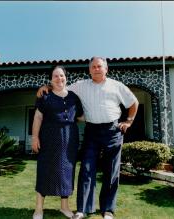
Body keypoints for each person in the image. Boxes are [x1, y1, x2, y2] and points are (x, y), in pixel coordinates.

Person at [37, 57, 139, 219]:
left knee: (111, 171)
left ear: (106, 69)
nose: (96, 69)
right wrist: (47, 86)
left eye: (100, 66)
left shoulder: (117, 86)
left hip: (112, 131)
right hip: (92, 131)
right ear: (89, 70)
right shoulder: (81, 86)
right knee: (86, 169)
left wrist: (129, 121)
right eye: (93, 67)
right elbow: (61, 86)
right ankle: (82, 209)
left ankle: (108, 210)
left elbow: (133, 102)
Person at [32, 66, 83, 219]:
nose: (59, 78)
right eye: (55, 76)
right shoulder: (45, 96)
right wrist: (35, 137)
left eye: (62, 75)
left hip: (70, 139)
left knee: (67, 172)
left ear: (66, 78)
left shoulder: (74, 96)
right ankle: (39, 208)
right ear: (51, 79)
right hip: (49, 137)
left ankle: (64, 207)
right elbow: (38, 117)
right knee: (44, 170)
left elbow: (80, 117)